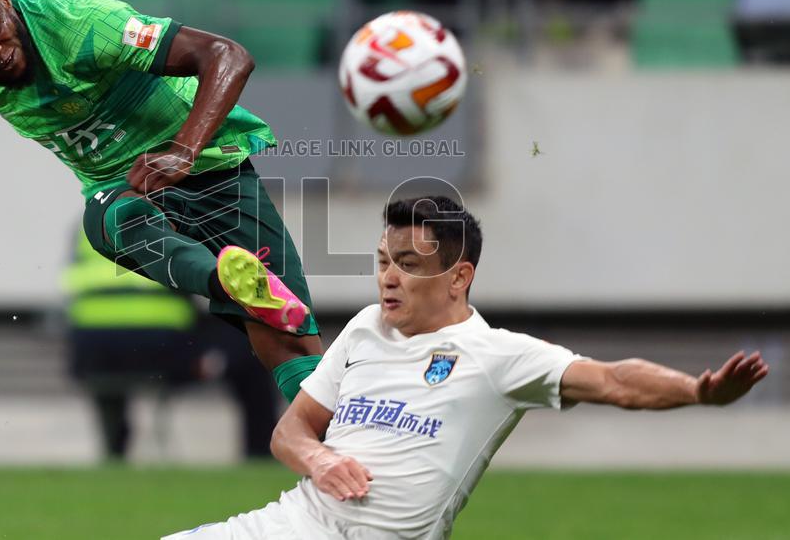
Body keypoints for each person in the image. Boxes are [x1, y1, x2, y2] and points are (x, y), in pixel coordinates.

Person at [165, 196, 769, 539]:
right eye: (382, 260)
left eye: (407, 262)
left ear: (460, 277)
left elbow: (613, 380)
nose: (388, 276)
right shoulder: (362, 329)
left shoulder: (499, 357)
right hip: (289, 526)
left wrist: (697, 391)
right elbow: (290, 432)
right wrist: (321, 458)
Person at [0, 0, 322, 404]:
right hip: (125, 186)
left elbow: (228, 56)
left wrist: (183, 149)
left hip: (209, 164)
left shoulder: (80, 20)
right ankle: (228, 281)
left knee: (291, 332)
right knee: (107, 220)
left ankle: (337, 453)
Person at [63, 228, 278, 458]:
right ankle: (260, 453)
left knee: (112, 339)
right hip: (160, 351)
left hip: (92, 354)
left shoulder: (87, 224)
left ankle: (115, 447)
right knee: (252, 349)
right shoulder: (177, 214)